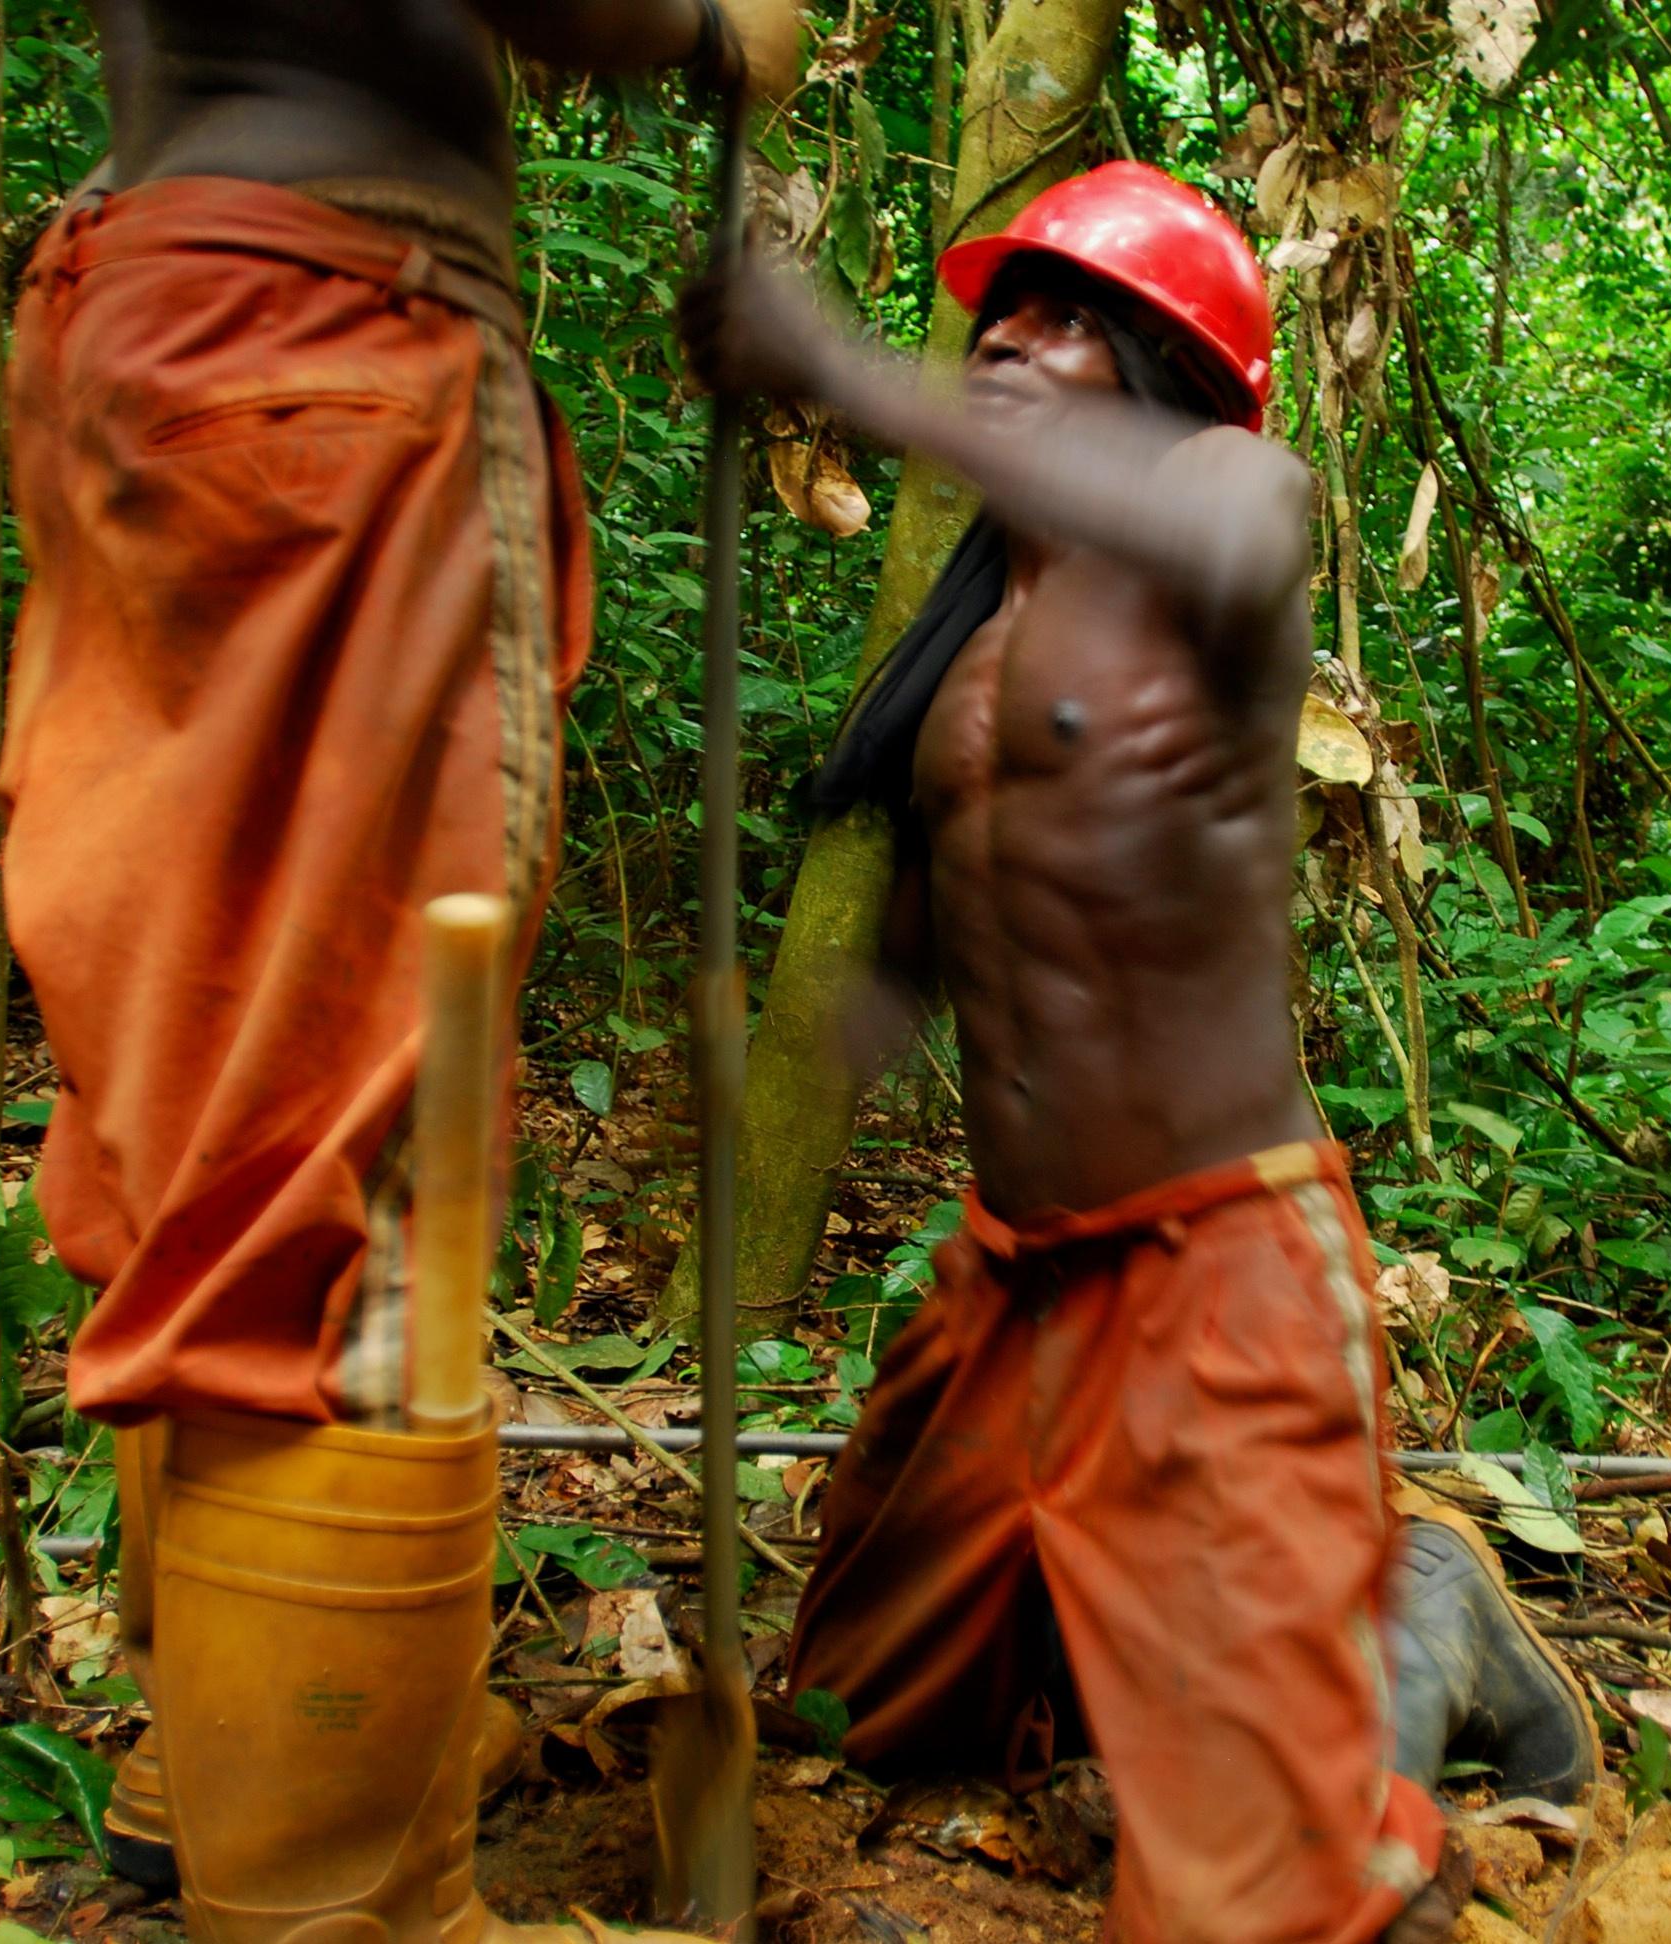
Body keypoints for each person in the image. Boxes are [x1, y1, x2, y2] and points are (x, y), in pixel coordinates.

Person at [678, 161, 1598, 1944]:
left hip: (1215, 1270)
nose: (1007, 336)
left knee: (1271, 1904)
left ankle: (1413, 1621)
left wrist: (841, 365)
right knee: (857, 1712)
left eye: (1068, 317)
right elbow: (965, 947)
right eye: (999, 308)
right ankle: (1213, 1646)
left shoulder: (1233, 505)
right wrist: (795, 1049)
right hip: (1015, 1293)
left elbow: (1226, 535)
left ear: (1170, 365)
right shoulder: (965, 654)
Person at [0, 7, 796, 1940]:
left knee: (220, 1078)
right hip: (322, 330)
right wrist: (699, 24)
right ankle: (349, 1908)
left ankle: (218, 1770)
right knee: (367, 1149)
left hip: (158, 305)